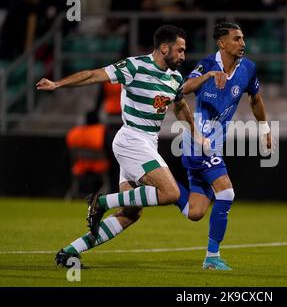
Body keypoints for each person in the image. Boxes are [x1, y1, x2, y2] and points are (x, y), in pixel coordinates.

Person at [36, 25, 202, 268]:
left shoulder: (175, 78)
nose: (183, 56)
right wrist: (58, 84)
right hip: (132, 139)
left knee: (130, 213)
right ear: (164, 48)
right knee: (171, 193)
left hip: (147, 144)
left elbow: (179, 105)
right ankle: (101, 202)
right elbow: (94, 75)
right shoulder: (134, 67)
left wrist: (195, 132)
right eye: (180, 50)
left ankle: (69, 252)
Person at [174, 22, 272, 270]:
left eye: (243, 39)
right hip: (198, 142)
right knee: (227, 192)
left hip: (214, 145)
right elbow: (182, 90)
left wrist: (265, 128)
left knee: (195, 212)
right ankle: (212, 258)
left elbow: (256, 99)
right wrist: (207, 76)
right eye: (237, 39)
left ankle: (162, 186)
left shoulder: (248, 68)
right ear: (222, 43)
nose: (243, 43)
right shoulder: (206, 64)